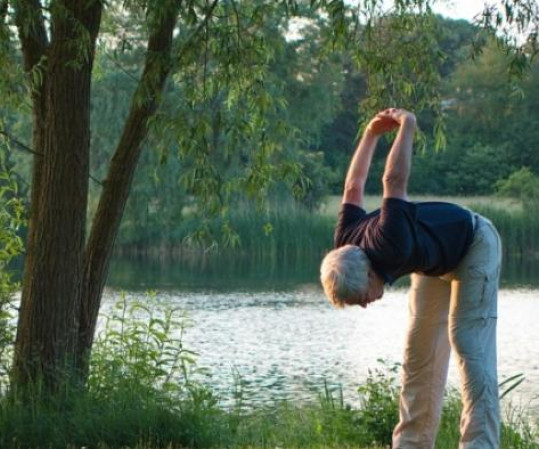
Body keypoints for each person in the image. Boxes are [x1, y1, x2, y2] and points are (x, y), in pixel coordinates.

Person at [320, 108, 502, 449]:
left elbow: (393, 181)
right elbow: (353, 185)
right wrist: (370, 134)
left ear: (368, 272)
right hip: (435, 262)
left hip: (474, 243)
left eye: (362, 297)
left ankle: (480, 444)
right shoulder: (346, 241)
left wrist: (408, 125)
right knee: (419, 352)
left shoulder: (389, 240)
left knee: (468, 343)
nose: (366, 304)